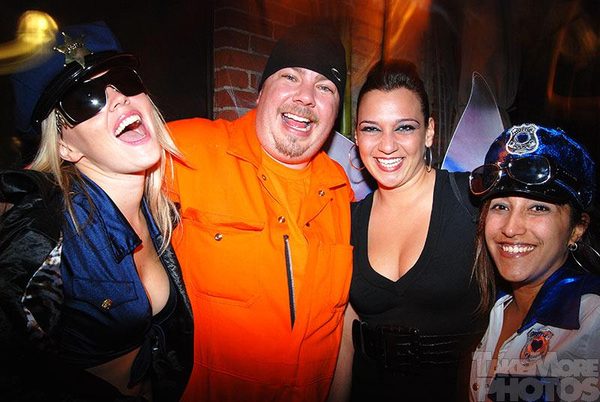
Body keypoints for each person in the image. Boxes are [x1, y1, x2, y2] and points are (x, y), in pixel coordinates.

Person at [0, 22, 193, 401]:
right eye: (85, 98)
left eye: (123, 80)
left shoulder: (158, 214)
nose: (117, 98)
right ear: (66, 147)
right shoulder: (45, 232)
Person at [167, 24, 353, 402]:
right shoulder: (187, 150)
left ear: (335, 112)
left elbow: (340, 320)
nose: (306, 97)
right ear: (261, 90)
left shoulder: (340, 190)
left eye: (325, 88)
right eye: (290, 77)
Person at [329, 59, 489, 402]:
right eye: (371, 129)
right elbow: (347, 334)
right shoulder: (348, 219)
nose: (387, 145)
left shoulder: (474, 201)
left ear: (429, 132)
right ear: (356, 136)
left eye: (404, 127)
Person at [468, 123, 600, 402]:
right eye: (501, 206)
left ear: (577, 228)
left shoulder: (592, 318)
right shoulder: (498, 309)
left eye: (538, 208)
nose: (511, 228)